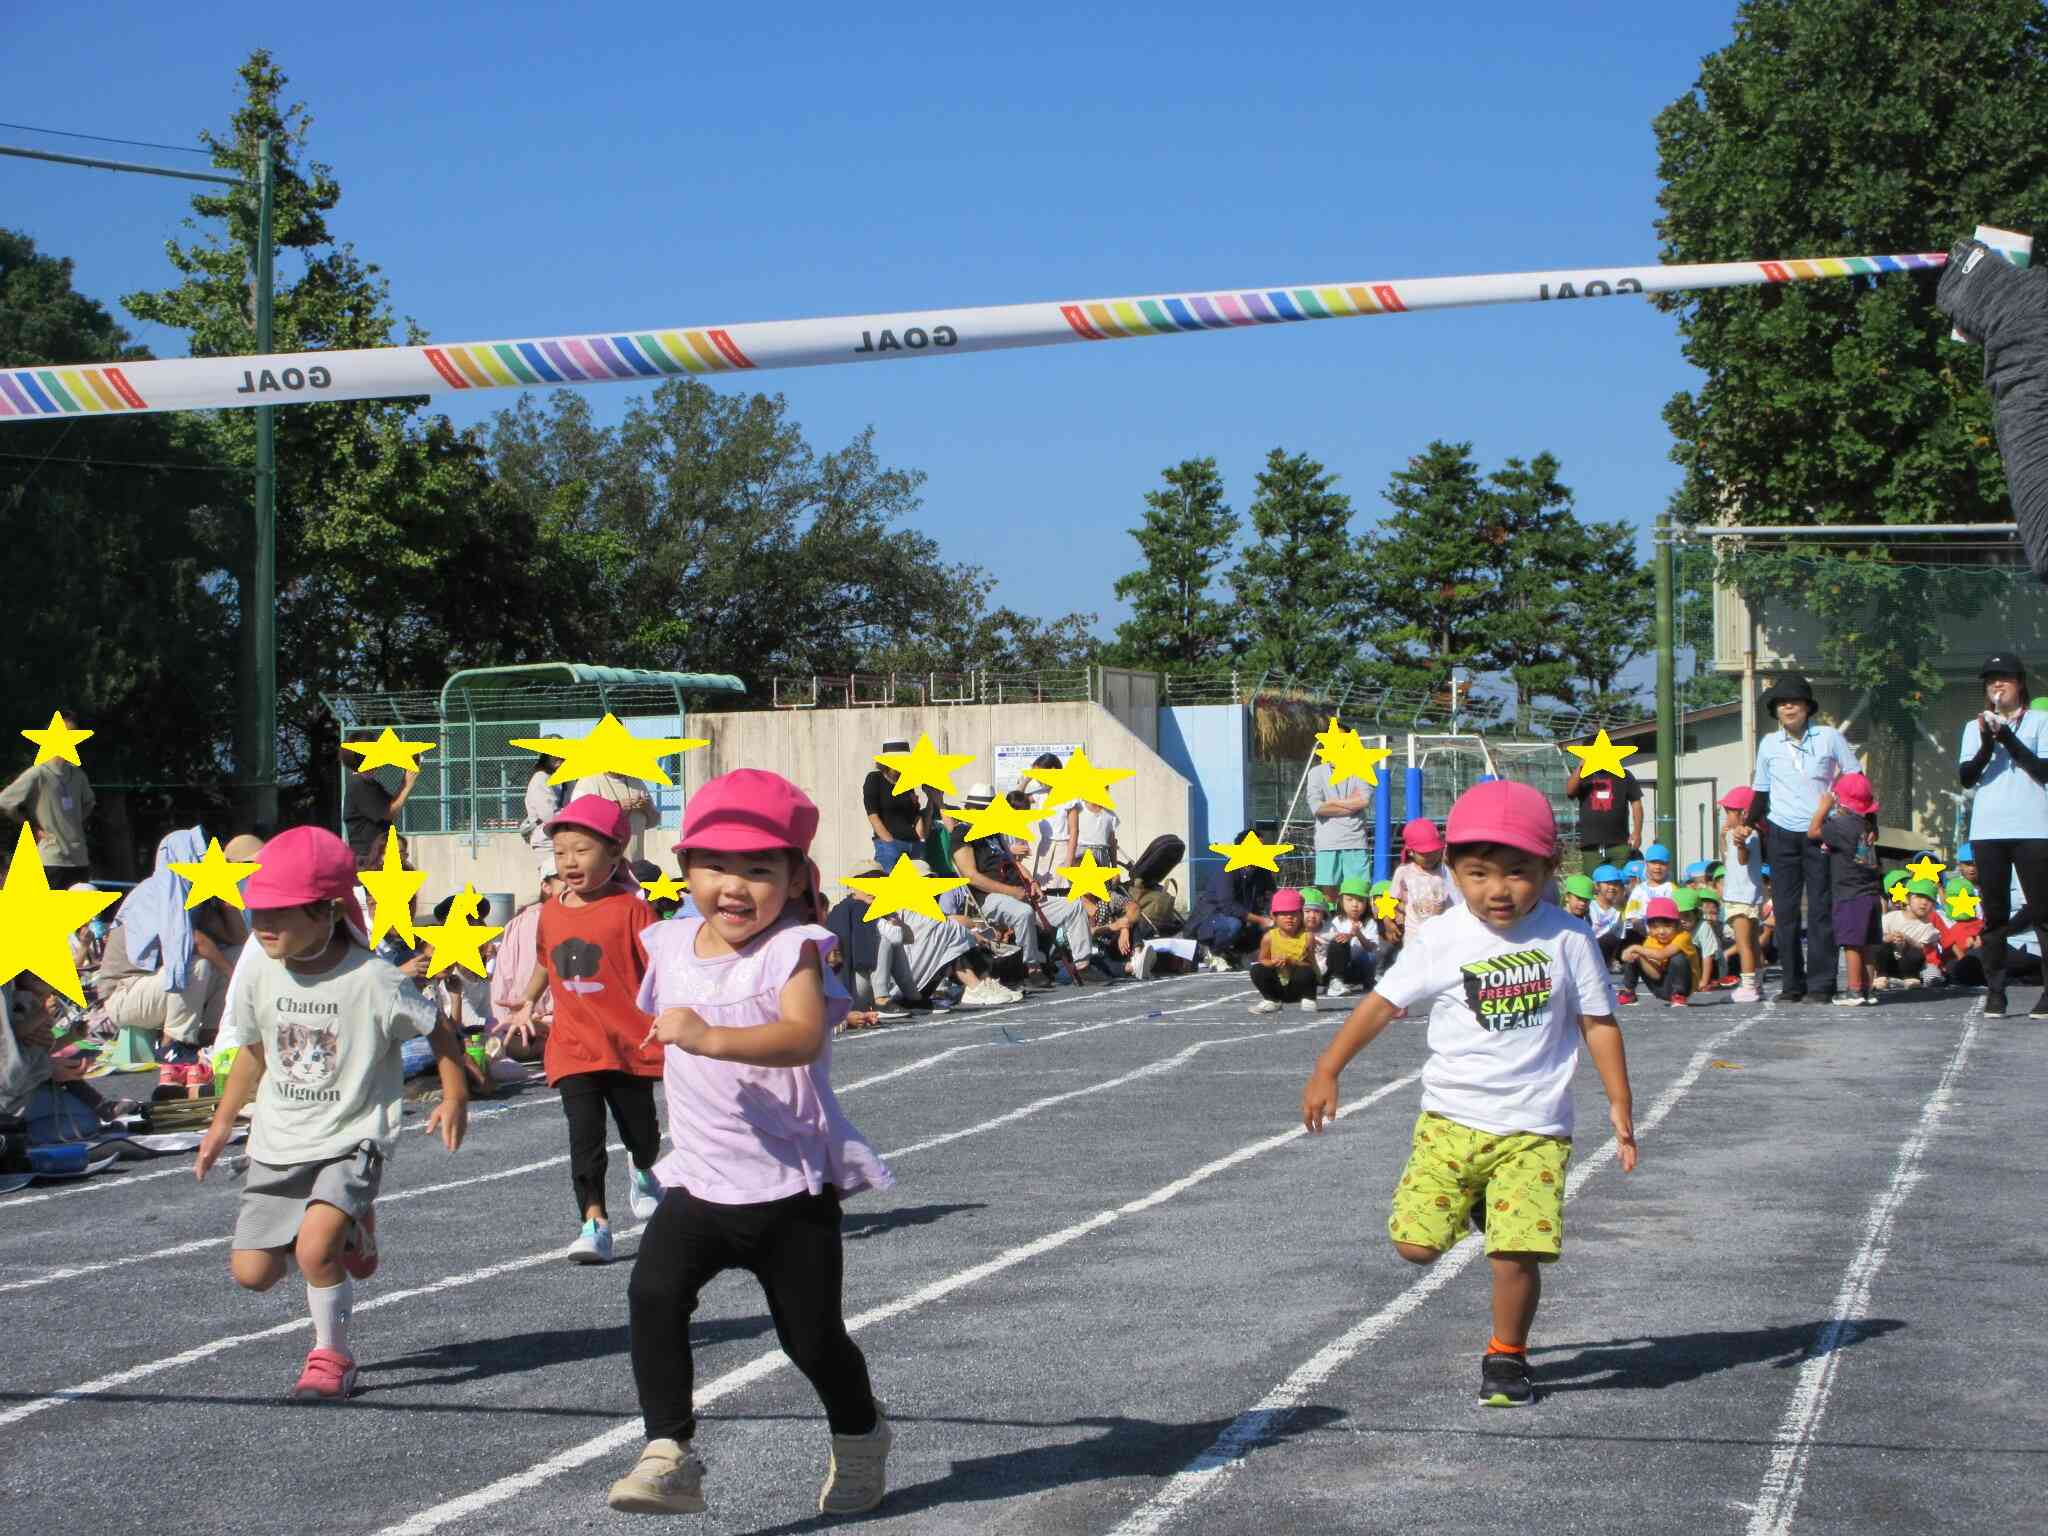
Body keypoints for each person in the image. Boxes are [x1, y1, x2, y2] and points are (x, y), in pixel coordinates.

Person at [609, 769, 893, 1518]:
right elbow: (651, 1032)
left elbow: (801, 1037)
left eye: (759, 870)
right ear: (684, 868)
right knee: (652, 1296)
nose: (735, 887)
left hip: (787, 1193)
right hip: (700, 1182)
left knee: (811, 1339)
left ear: (796, 877)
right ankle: (669, 1451)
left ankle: (861, 1433)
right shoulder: (666, 943)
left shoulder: (796, 948)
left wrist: (709, 1036)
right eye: (716, 867)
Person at [1302, 779, 1634, 1408]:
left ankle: (1507, 1357)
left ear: (1549, 866)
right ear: (1452, 869)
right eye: (1479, 873)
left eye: (1518, 872)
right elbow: (1381, 1005)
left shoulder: (1568, 938)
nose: (1498, 889)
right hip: (1450, 1120)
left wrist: (1620, 1102)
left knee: (1515, 1251)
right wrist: (1328, 1067)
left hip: (1536, 1126)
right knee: (1416, 1246)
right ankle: (1483, 1208)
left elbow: (1598, 1022)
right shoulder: (1443, 938)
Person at [194, 825, 468, 1402]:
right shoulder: (261, 969)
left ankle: (331, 1356)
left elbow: (441, 1031)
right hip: (278, 1138)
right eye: (256, 910)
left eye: (281, 912)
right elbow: (252, 1052)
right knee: (254, 1273)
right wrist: (222, 1122)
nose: (263, 924)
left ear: (326, 912)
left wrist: (454, 1095)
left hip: (351, 1136)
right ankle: (352, 1231)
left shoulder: (374, 979)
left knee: (313, 1249)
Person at [503, 795, 665, 1264]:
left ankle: (643, 1169)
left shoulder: (633, 909)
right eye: (561, 853)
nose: (569, 862)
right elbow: (543, 959)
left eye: (581, 851)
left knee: (643, 1135)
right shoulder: (551, 910)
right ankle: (594, 1222)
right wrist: (529, 1001)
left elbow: (662, 969)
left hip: (629, 1045)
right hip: (573, 1046)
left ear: (615, 854)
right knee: (585, 1138)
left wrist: (669, 1015)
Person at [95, 827, 246, 1096]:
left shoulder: (197, 895)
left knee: (231, 954)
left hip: (158, 990)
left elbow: (237, 939)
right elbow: (191, 942)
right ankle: (175, 1044)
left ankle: (211, 1039)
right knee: (198, 965)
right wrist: (234, 976)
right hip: (123, 992)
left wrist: (227, 901)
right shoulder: (153, 894)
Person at [1746, 673, 1862, 1003]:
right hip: (1781, 833)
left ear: (1808, 707)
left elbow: (1855, 779)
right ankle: (1792, 984)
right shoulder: (1768, 744)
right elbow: (1760, 791)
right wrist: (1746, 823)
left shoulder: (1829, 737)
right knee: (1784, 910)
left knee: (1821, 909)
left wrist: (1859, 818)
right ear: (1775, 711)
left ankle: (1822, 984)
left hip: (1820, 831)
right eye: (1782, 703)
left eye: (1795, 701)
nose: (1788, 707)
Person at [1956, 654, 2048, 1018]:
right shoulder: (1973, 726)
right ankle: (1996, 992)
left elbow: (2042, 770)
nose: (1997, 685)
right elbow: (1966, 776)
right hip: (1989, 829)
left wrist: (2007, 738)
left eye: (2005, 679)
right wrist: (1986, 742)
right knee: (1993, 915)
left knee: (2043, 913)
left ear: (2020, 683)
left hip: (2034, 829)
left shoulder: (2041, 721)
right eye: (1991, 680)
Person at [950, 783, 1096, 989]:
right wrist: (1012, 892)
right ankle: (1031, 967)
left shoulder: (993, 832)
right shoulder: (961, 834)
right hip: (988, 898)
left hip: (1020, 892)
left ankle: (1084, 965)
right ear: (970, 810)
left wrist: (1031, 881)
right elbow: (971, 876)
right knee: (1023, 912)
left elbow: (1014, 863)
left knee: (1074, 907)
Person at [1811, 772, 1882, 1007]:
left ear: (1841, 800)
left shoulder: (1840, 825)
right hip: (1871, 893)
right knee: (1868, 945)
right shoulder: (1866, 824)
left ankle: (1853, 991)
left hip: (1850, 894)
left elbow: (1813, 832)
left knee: (1852, 945)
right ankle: (1868, 989)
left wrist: (1823, 807)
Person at [0, 710, 94, 883]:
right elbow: (5, 801)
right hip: (52, 860)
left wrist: (72, 823)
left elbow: (89, 803)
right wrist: (30, 826)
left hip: (79, 860)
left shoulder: (79, 775)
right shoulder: (38, 774)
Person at [489, 872, 560, 1061]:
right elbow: (510, 980)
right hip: (527, 1023)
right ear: (546, 886)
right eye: (562, 878)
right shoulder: (527, 922)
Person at [1189, 833, 1276, 965]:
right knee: (1233, 924)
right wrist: (1261, 920)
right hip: (1212, 920)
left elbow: (1272, 896)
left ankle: (1237, 954)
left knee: (1275, 926)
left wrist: (1275, 914)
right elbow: (1228, 906)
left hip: (1243, 919)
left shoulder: (1263, 872)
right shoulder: (1227, 871)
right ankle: (1212, 951)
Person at [1717, 788, 1765, 1002]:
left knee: (1744, 943)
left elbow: (1743, 859)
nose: (1726, 816)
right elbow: (1727, 858)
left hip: (1741, 896)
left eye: (1729, 811)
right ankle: (1757, 983)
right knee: (1753, 942)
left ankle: (1748, 986)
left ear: (1743, 813)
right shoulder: (1735, 834)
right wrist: (1724, 836)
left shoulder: (1749, 835)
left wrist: (1740, 844)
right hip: (1748, 895)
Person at [1561, 754, 1642, 874]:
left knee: (1621, 882)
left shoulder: (1625, 775)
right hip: (1591, 845)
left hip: (1619, 843)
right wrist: (1580, 767)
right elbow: (1570, 791)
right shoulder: (1584, 776)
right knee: (1595, 884)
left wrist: (1637, 832)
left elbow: (1636, 803)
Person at [340, 742, 420, 862]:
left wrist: (406, 780)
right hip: (368, 858)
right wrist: (407, 784)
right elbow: (389, 813)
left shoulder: (371, 785)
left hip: (377, 855)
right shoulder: (359, 785)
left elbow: (393, 807)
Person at [1305, 758, 1371, 895]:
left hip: (1355, 842)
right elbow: (1317, 808)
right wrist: (1351, 806)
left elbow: (1364, 801)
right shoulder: (1316, 772)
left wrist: (1332, 802)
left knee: (1357, 894)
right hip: (1327, 844)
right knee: (1329, 897)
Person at [1617, 897, 1696, 1007]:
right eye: (1655, 927)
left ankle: (1679, 995)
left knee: (1677, 957)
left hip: (1684, 985)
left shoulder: (1683, 936)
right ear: (1648, 927)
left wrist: (1635, 947)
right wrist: (1638, 956)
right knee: (1635, 955)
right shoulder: (1651, 940)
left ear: (1677, 925)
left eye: (1668, 926)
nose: (1661, 931)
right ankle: (1628, 992)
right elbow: (1656, 975)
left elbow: (1661, 954)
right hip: (1661, 988)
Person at [1250, 888, 1319, 1014]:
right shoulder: (1269, 937)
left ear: (1301, 915)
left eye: (1294, 913)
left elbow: (1311, 965)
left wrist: (1292, 961)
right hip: (1279, 984)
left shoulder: (1307, 937)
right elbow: (1262, 959)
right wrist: (1273, 962)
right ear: (1273, 916)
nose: (1289, 918)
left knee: (1306, 972)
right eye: (1283, 914)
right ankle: (1272, 1000)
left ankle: (1309, 998)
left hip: (1298, 987)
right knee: (1257, 969)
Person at [862, 740, 926, 868]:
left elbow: (915, 814)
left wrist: (918, 837)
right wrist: (889, 842)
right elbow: (873, 815)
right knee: (888, 885)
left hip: (913, 844)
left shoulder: (906, 782)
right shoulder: (874, 779)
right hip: (889, 846)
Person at [572, 769, 658, 863]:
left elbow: (654, 821)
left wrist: (647, 808)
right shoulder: (588, 782)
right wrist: (616, 807)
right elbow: (579, 820)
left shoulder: (637, 782)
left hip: (635, 863)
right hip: (603, 866)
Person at [1877, 879, 1947, 989]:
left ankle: (1909, 978)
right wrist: (1889, 938)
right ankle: (1881, 976)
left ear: (1933, 905)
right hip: (1889, 963)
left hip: (1911, 967)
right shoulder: (1890, 917)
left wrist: (1908, 940)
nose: (1924, 902)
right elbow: (1877, 938)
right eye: (1919, 897)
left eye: (1929, 899)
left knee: (1916, 952)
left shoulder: (1929, 928)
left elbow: (1924, 949)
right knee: (1881, 946)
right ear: (1908, 898)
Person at [1389, 818, 1453, 933]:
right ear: (1411, 852)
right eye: (1425, 854)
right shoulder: (1404, 871)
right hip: (1415, 933)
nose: (1431, 857)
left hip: (1443, 931)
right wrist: (1390, 920)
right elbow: (1391, 899)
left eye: (1434, 852)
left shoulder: (1445, 869)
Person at [1323, 877, 1377, 995]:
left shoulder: (1369, 923)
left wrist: (1358, 934)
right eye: (1350, 899)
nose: (1355, 905)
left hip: (1358, 969)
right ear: (1341, 901)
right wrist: (1347, 936)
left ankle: (1369, 981)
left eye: (1360, 900)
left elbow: (1371, 948)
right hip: (1339, 966)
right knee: (1338, 941)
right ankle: (1336, 981)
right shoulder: (1336, 922)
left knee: (1370, 956)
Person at [522, 741, 568, 877]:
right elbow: (549, 815)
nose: (559, 761)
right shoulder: (541, 778)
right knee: (554, 879)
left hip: (559, 836)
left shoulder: (561, 779)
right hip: (546, 838)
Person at [1620, 843, 1677, 937]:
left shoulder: (1672, 889)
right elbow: (1632, 916)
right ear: (1646, 864)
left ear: (1668, 865)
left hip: (1665, 935)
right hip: (1641, 934)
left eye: (1662, 863)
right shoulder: (1639, 890)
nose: (1657, 867)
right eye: (1653, 862)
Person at [1586, 865, 1626, 967]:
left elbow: (1619, 937)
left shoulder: (1619, 909)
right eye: (1608, 883)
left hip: (1609, 950)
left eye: (1615, 883)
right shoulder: (1589, 906)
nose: (1612, 887)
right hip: (1589, 949)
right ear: (1596, 886)